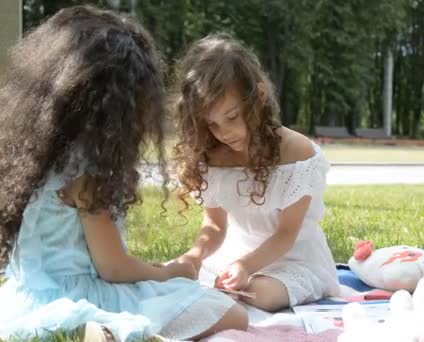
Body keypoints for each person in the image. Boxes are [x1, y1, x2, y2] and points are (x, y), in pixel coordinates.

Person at [0, 6, 247, 341]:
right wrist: (168, 272)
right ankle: (101, 329)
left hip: (27, 297)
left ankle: (78, 329)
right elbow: (113, 268)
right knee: (230, 313)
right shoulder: (88, 169)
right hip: (85, 294)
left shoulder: (31, 158)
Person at [173, 33, 340, 312]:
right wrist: (195, 255)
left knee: (254, 295)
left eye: (231, 117)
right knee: (171, 277)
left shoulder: (296, 153)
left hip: (295, 258)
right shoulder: (213, 155)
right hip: (234, 257)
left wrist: (246, 266)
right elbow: (215, 226)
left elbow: (287, 234)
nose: (223, 133)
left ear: (259, 97)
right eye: (211, 124)